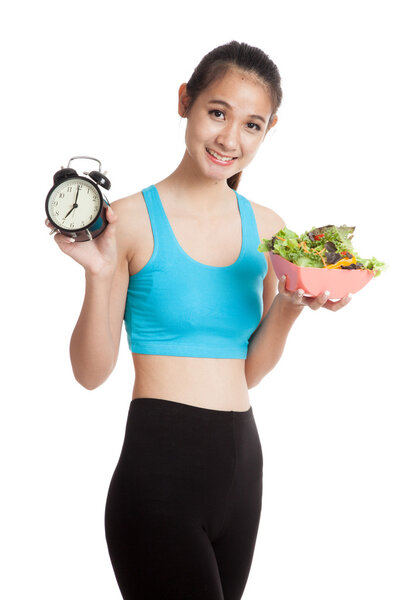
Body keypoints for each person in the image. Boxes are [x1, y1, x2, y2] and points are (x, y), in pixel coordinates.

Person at [45, 40, 351, 600]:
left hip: (243, 470)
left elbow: (248, 371)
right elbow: (90, 374)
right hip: (160, 472)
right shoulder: (129, 221)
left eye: (252, 125)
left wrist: (289, 305)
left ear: (269, 130)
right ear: (185, 101)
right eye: (217, 112)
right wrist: (97, 273)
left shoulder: (270, 229)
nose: (230, 139)